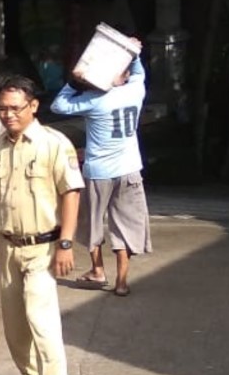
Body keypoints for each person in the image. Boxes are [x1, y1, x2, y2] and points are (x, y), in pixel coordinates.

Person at [0, 76, 85, 375]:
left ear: (33, 106)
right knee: (14, 323)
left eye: (15, 108)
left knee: (42, 319)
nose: (8, 115)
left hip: (44, 246)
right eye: (1, 109)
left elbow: (71, 193)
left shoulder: (54, 144)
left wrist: (66, 243)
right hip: (9, 245)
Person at [50, 49, 152, 297]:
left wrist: (74, 81)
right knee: (125, 225)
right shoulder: (135, 91)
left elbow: (58, 105)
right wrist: (134, 54)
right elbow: (139, 72)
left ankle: (97, 270)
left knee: (92, 222)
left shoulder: (95, 100)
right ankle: (122, 281)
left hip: (99, 172)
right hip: (130, 169)